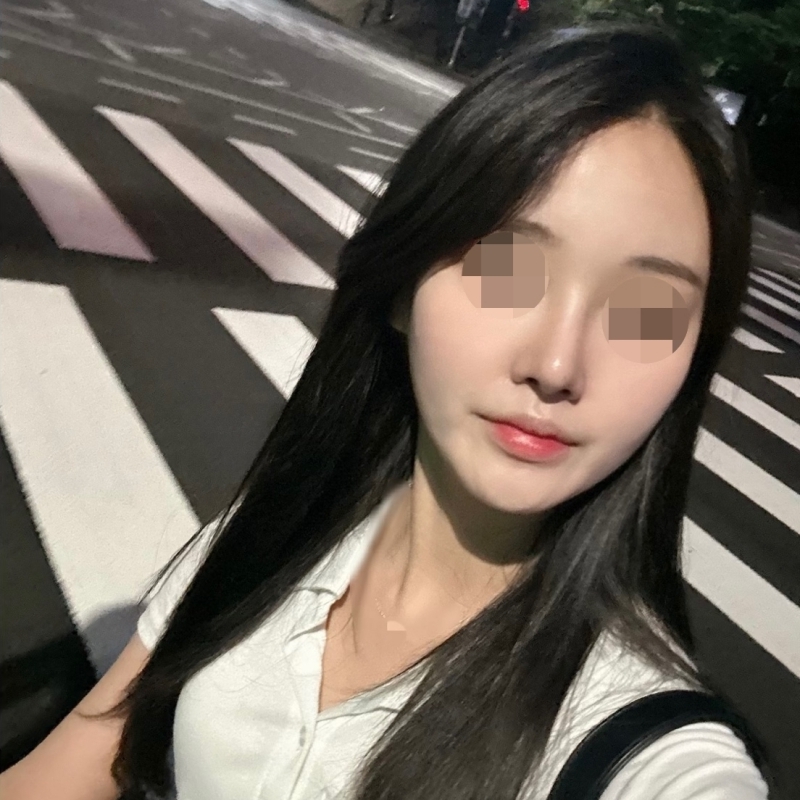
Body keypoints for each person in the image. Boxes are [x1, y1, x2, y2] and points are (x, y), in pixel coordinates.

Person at [0, 21, 773, 800]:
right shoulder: (272, 537)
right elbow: (81, 755)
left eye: (646, 310)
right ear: (403, 286)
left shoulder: (646, 752)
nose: (556, 366)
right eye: (508, 269)